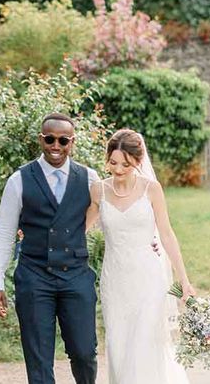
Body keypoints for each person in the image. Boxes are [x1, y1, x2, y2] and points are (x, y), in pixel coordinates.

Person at [0, 112, 100, 384]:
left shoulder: (89, 178)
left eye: (63, 140)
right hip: (34, 277)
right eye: (50, 139)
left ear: (72, 142)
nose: (56, 146)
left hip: (76, 276)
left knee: (85, 354)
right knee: (38, 361)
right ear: (41, 139)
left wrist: (147, 241)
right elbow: (4, 233)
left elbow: (110, 219)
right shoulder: (19, 180)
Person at [86, 128, 195, 384]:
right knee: (119, 345)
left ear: (138, 161)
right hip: (115, 281)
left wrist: (184, 281)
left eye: (126, 164)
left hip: (148, 279)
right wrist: (35, 232)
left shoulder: (151, 189)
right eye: (113, 163)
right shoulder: (98, 191)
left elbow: (166, 234)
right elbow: (78, 230)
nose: (119, 169)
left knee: (145, 345)